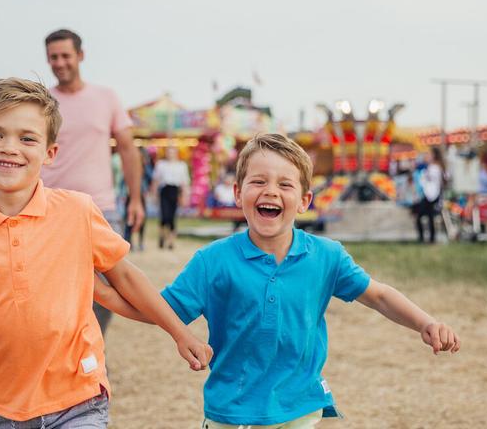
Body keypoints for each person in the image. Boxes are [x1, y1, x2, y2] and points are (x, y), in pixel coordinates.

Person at [0, 78, 212, 428]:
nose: (9, 148)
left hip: (80, 400)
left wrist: (179, 333)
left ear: (50, 153)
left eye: (27, 138)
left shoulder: (78, 211)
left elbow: (125, 277)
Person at [160, 133, 460, 428]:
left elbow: (378, 296)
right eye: (259, 181)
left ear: (304, 201)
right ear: (238, 193)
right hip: (232, 412)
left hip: (301, 408)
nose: (271, 191)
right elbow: (161, 308)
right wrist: (127, 296)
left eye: (285, 184)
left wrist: (426, 323)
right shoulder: (212, 261)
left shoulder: (327, 256)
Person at [41, 28, 144, 337]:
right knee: (53, 288)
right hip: (49, 208)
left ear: (81, 56)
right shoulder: (43, 101)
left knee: (110, 286)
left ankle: (94, 348)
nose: (59, 63)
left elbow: (128, 149)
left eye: (65, 56)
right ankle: (67, 351)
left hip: (101, 208)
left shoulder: (106, 97)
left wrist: (135, 199)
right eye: (53, 57)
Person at [152, 146, 190, 249]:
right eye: (169, 152)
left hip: (175, 191)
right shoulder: (161, 165)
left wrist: (185, 196)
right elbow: (156, 180)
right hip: (165, 191)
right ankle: (162, 236)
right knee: (164, 216)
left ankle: (171, 241)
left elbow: (185, 182)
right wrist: (154, 194)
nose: (171, 154)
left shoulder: (182, 165)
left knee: (172, 218)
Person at [415, 148, 444, 243]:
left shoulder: (435, 168)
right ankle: (428, 238)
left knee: (425, 217)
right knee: (427, 217)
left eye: (428, 154)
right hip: (429, 195)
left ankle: (427, 238)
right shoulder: (430, 167)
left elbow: (435, 184)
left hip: (432, 196)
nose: (426, 156)